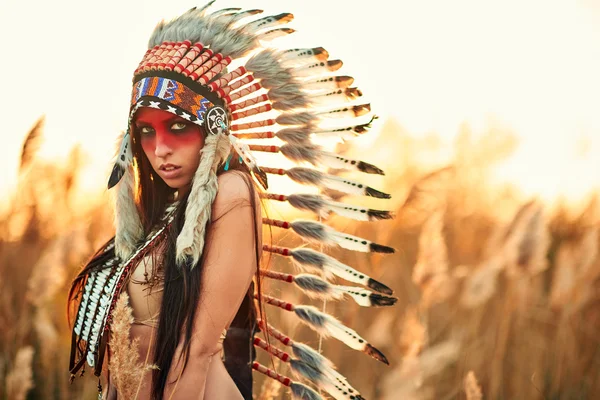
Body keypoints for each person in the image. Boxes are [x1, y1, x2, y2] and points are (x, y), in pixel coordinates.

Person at [68, 3, 398, 399]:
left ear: (212, 131)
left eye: (177, 127)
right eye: (146, 132)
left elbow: (199, 348)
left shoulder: (231, 193)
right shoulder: (162, 218)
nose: (161, 150)